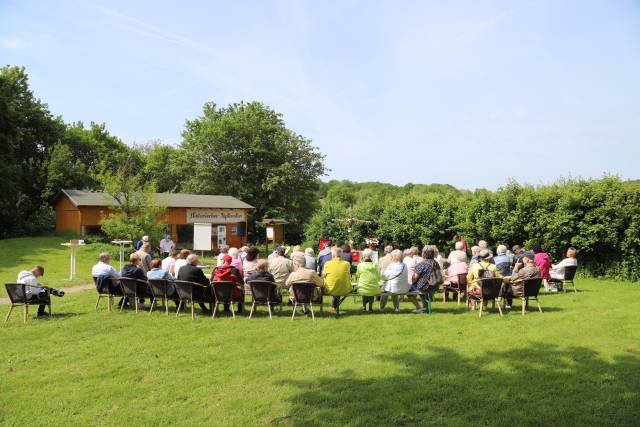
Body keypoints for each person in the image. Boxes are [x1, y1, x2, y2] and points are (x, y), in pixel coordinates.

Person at [322, 246, 352, 312]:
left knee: (334, 284)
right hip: (344, 289)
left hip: (330, 289)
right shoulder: (347, 264)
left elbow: (323, 276)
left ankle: (333, 307)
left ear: (332, 254)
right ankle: (334, 307)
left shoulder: (327, 263)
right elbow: (349, 276)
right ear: (341, 254)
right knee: (338, 284)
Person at [414, 245, 444, 312]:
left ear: (423, 253)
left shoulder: (422, 264)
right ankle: (425, 307)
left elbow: (415, 277)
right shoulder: (436, 263)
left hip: (425, 287)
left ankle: (422, 307)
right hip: (435, 286)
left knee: (413, 285)